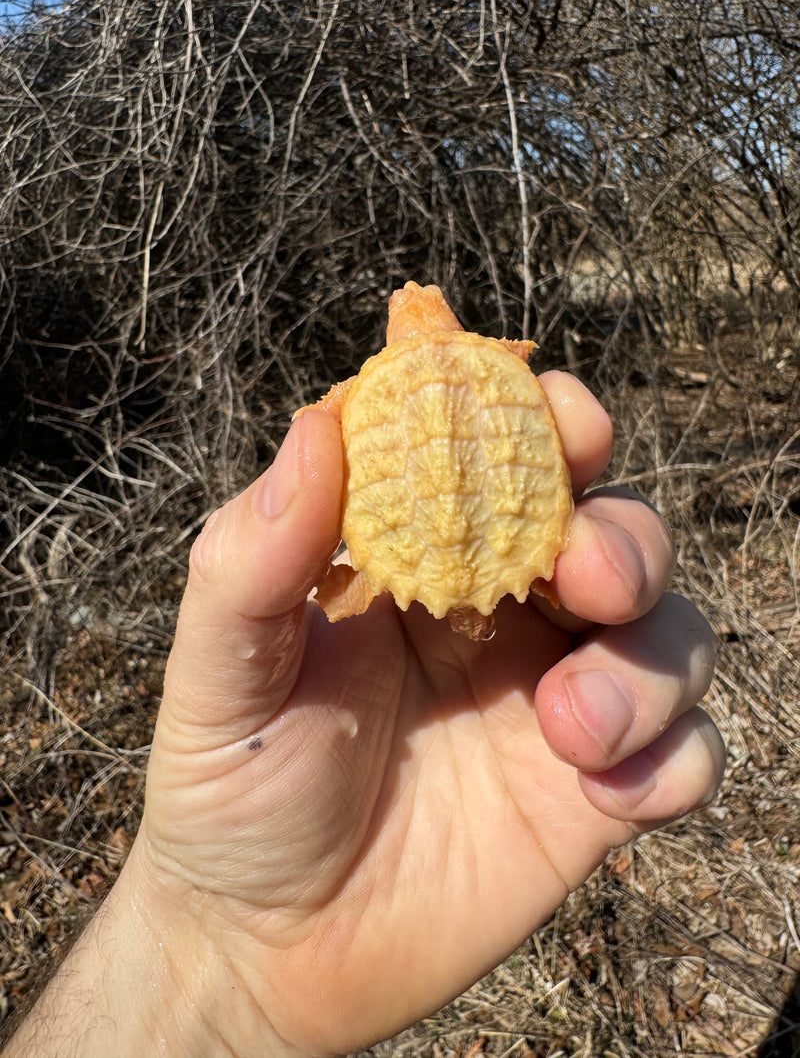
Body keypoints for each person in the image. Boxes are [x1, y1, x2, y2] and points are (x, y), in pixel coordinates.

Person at [2, 373, 723, 1058]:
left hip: (494, 620)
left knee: (600, 561)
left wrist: (206, 959)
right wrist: (208, 936)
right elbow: (347, 583)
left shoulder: (374, 397)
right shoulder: (438, 388)